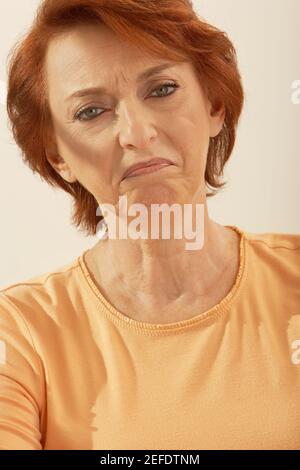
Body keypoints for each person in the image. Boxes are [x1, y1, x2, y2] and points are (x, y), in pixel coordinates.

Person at [0, 0, 299, 450]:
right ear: (58, 155)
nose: (136, 133)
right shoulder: (19, 333)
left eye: (161, 89)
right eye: (90, 111)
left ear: (214, 105)